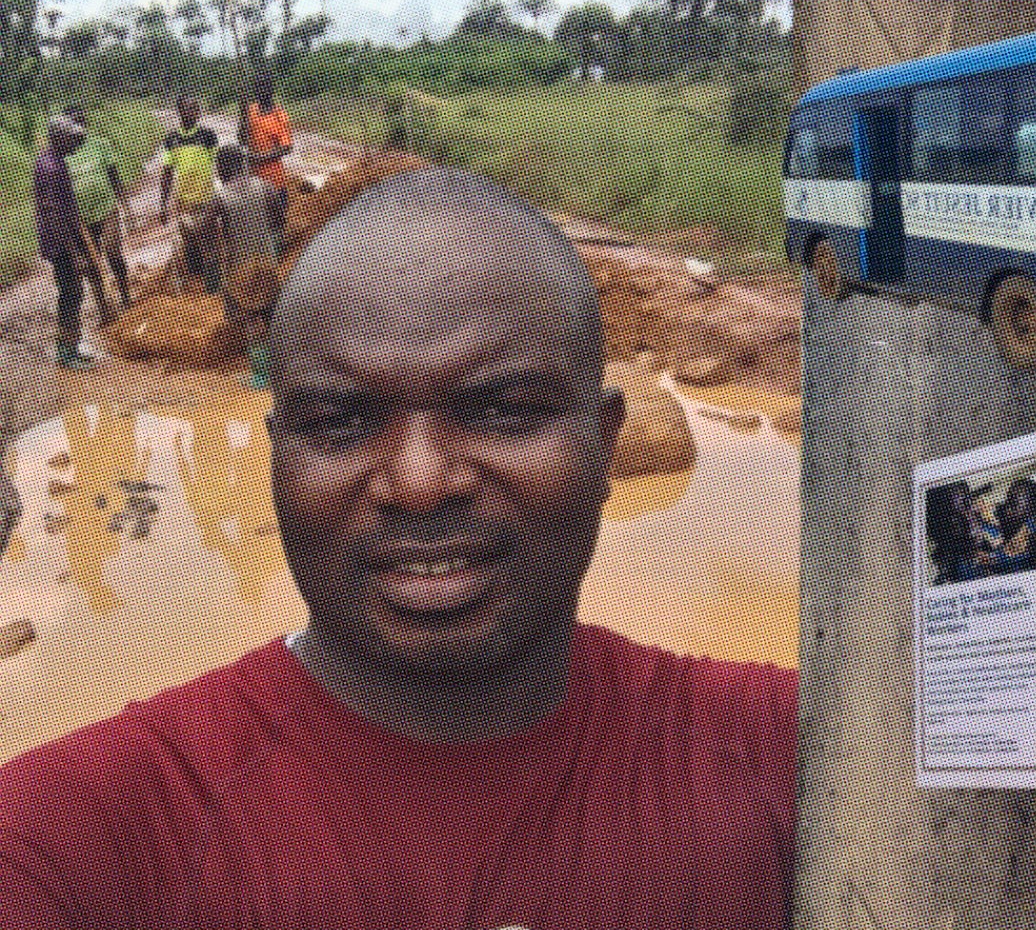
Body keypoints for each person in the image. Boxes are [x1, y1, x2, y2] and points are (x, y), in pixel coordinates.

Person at [0, 168, 798, 929]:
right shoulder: (89, 837)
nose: (419, 481)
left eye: (504, 409)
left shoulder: (799, 755)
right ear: (275, 458)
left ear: (606, 443)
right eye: (342, 422)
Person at [208, 143, 286, 390]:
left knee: (253, 320)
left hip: (241, 269)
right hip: (267, 263)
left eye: (218, 166)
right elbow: (279, 222)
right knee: (271, 314)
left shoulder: (220, 198)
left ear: (223, 167)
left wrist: (211, 257)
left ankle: (261, 376)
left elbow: (204, 229)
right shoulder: (266, 188)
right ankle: (282, 369)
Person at [33, 114, 95, 368]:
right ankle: (66, 353)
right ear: (59, 137)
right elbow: (55, 213)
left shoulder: (49, 160)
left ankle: (69, 346)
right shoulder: (53, 168)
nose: (74, 142)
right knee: (71, 293)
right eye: (70, 137)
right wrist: (75, 252)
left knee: (72, 293)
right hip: (60, 241)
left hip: (59, 238)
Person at [63, 104, 132, 310]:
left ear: (85, 123)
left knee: (112, 252)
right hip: (81, 218)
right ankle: (103, 305)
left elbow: (113, 175)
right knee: (91, 262)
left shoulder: (100, 144)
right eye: (73, 122)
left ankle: (125, 293)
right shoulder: (63, 154)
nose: (78, 125)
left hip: (106, 209)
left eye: (80, 121)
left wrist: (125, 206)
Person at [160, 96, 218, 292]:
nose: (192, 112)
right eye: (188, 108)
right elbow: (167, 171)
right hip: (183, 201)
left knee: (210, 242)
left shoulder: (208, 135)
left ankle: (212, 288)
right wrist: (163, 203)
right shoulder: (172, 139)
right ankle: (193, 288)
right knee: (188, 243)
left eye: (196, 108)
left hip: (206, 198)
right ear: (179, 111)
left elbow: (218, 164)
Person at [243, 68, 293, 216]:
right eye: (257, 87)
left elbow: (287, 148)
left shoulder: (279, 115)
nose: (259, 91)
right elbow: (243, 138)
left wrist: (260, 158)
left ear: (271, 89)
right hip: (252, 180)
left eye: (263, 86)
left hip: (274, 181)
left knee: (276, 221)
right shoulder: (251, 110)